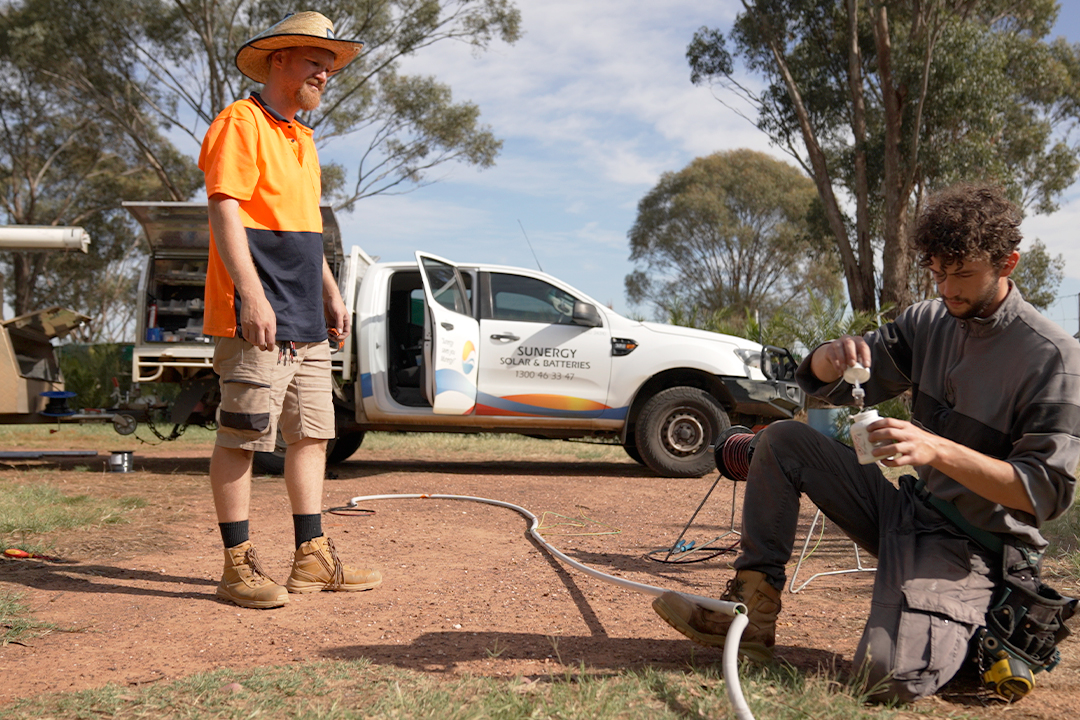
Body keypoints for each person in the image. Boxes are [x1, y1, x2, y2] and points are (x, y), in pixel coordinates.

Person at [652, 183, 1080, 702]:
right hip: (906, 511)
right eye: (937, 272)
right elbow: (833, 381)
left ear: (1007, 263)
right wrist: (827, 358)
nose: (946, 289)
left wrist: (935, 449)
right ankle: (752, 615)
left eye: (962, 273)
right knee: (785, 440)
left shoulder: (1053, 358)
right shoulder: (928, 321)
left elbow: (1045, 493)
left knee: (886, 679)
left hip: (976, 547)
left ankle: (970, 625)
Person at [198, 11, 381, 609]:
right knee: (244, 435)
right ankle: (236, 566)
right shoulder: (239, 123)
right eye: (314, 62)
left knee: (310, 435)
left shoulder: (302, 139)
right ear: (279, 60)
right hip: (260, 310)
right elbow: (226, 211)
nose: (325, 74)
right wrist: (251, 292)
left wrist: (329, 288)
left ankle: (311, 557)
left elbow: (304, 229)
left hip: (305, 315)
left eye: (328, 66)